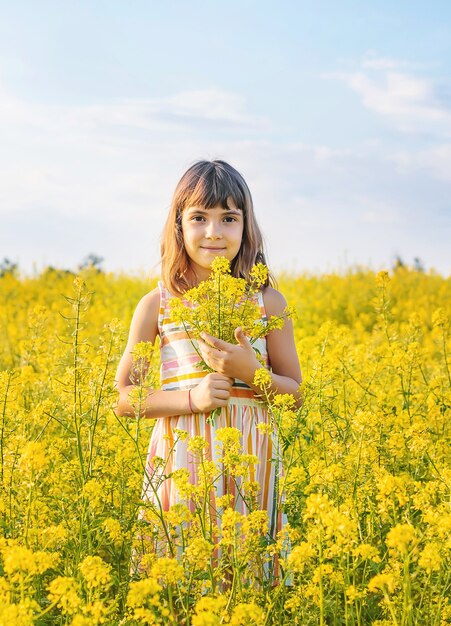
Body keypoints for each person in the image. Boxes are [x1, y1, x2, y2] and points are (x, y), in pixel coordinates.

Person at [115, 159, 302, 577]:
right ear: (179, 226)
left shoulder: (267, 302)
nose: (214, 232)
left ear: (246, 227)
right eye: (199, 217)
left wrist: (251, 372)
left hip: (252, 464)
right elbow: (123, 398)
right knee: (178, 580)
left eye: (228, 218)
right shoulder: (157, 305)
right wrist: (191, 399)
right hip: (182, 461)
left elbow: (295, 398)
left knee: (251, 581)